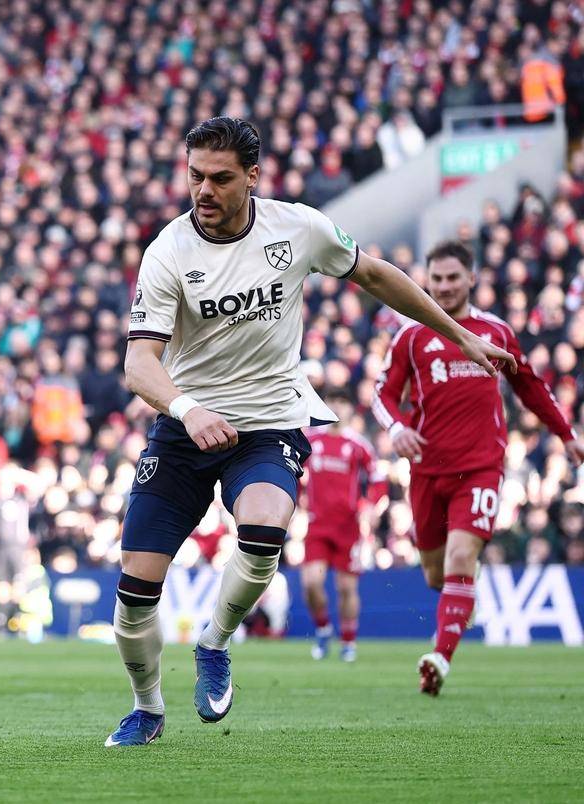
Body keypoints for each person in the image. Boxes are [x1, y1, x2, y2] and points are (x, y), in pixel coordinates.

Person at [108, 116, 513, 747]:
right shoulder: (168, 252)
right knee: (135, 591)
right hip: (186, 427)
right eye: (195, 176)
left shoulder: (297, 228)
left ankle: (214, 642)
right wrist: (188, 409)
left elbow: (376, 275)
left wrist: (459, 334)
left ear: (252, 176)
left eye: (220, 178)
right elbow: (139, 364)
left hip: (269, 421)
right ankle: (147, 708)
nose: (204, 191)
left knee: (265, 526)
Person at [372, 240, 583, 696]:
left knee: (459, 560)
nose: (445, 286)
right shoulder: (411, 336)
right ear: (426, 281)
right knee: (435, 575)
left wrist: (566, 435)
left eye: (453, 277)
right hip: (427, 469)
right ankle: (465, 590)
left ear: (472, 278)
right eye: (437, 278)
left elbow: (530, 386)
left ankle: (439, 658)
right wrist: (396, 428)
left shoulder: (496, 332)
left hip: (481, 467)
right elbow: (382, 394)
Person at [300, 391, 387, 663]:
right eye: (333, 402)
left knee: (346, 588)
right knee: (311, 583)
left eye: (342, 403)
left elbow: (378, 480)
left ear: (350, 409)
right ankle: (324, 628)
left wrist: (371, 506)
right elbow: (293, 470)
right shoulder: (311, 440)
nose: (337, 407)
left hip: (348, 527)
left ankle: (348, 642)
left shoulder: (359, 445)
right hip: (317, 524)